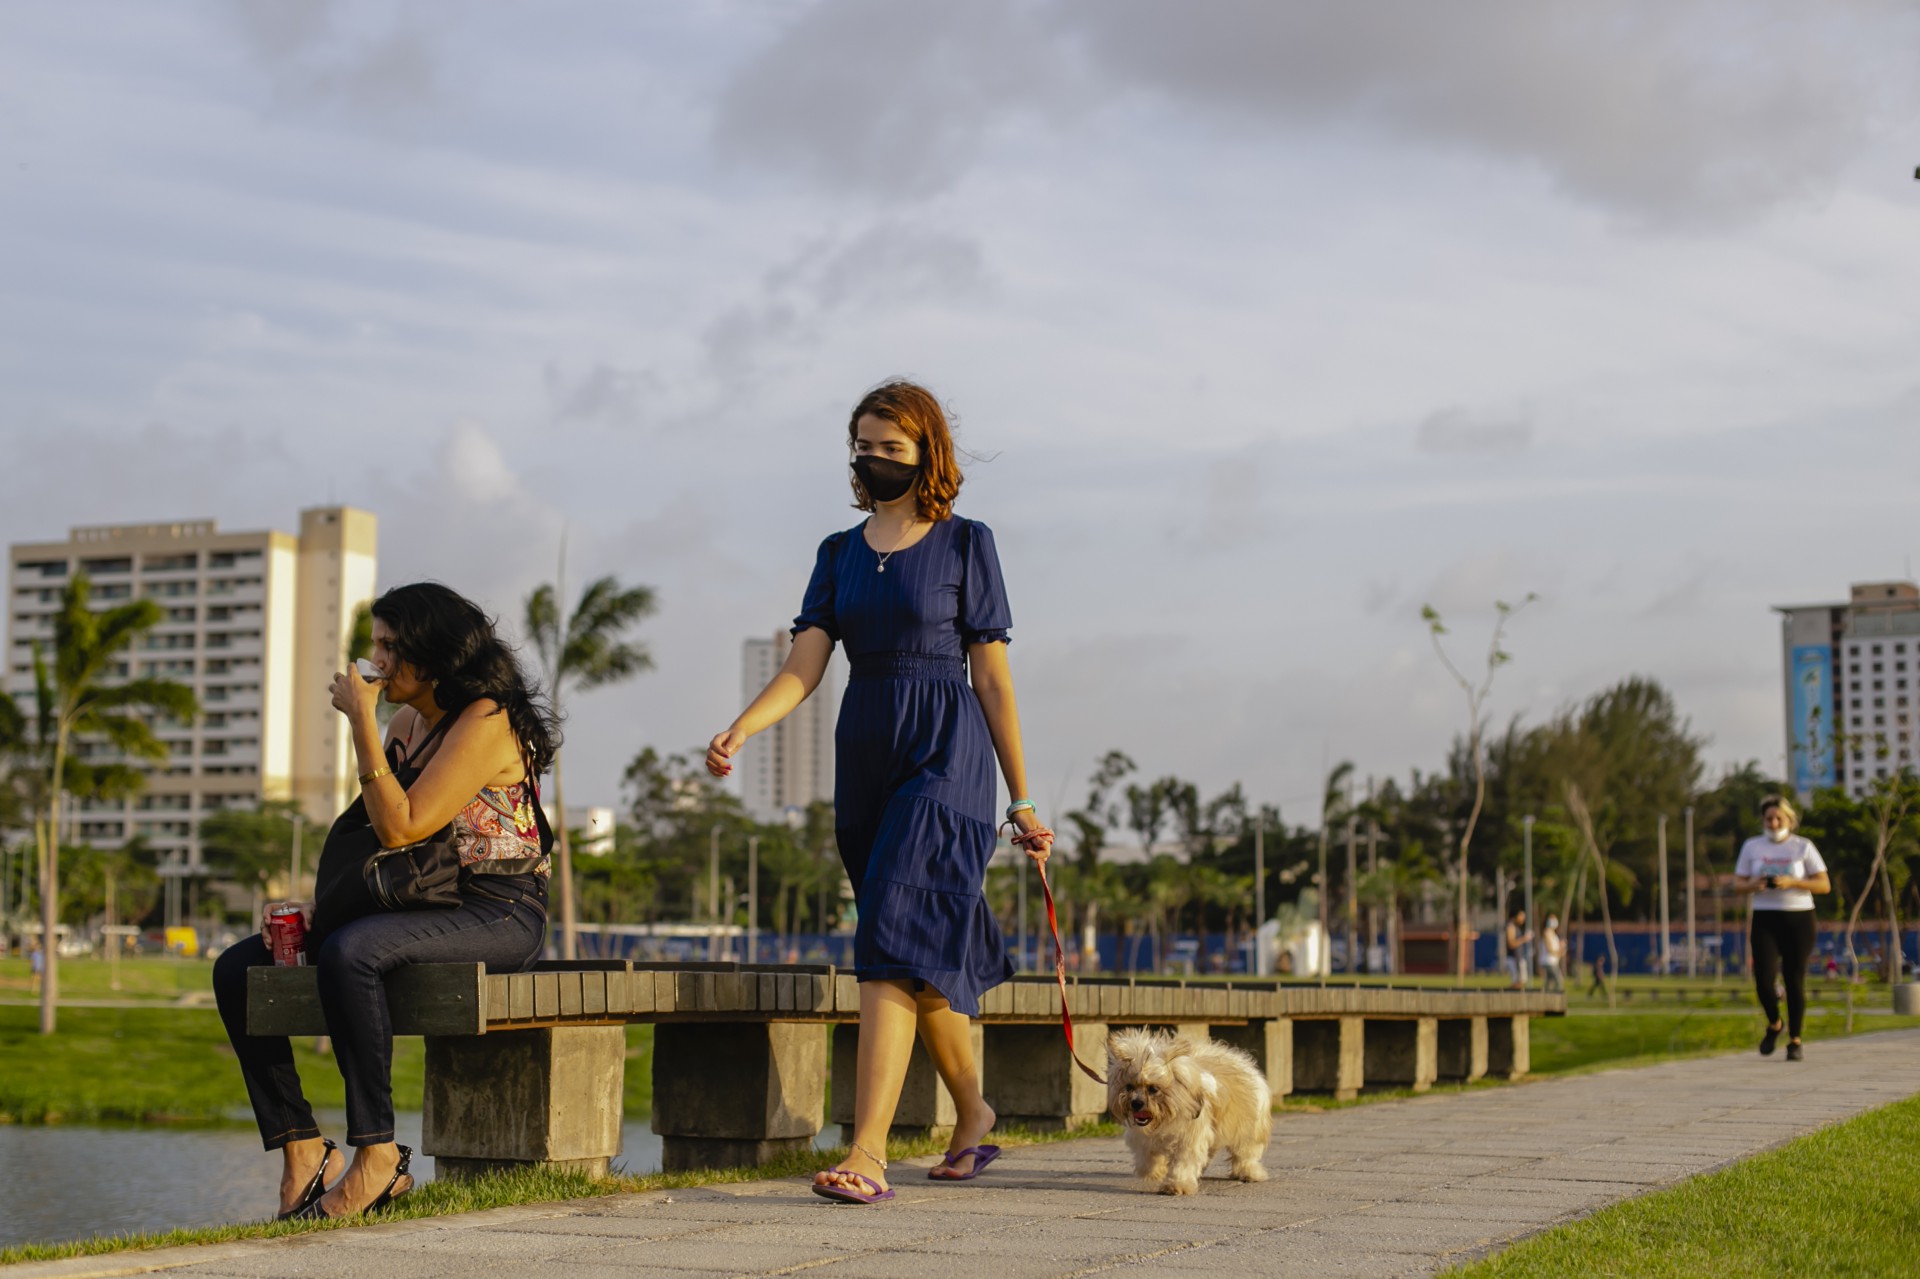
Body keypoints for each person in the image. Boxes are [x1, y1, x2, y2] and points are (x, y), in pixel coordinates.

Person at [707, 380, 1052, 1205]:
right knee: (914, 953)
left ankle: (867, 1150)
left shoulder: (967, 543)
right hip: (864, 754)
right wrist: (744, 727)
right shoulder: (838, 553)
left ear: (928, 453)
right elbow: (805, 664)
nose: (874, 459)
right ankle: (975, 1112)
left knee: (889, 933)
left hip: (947, 753)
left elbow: (992, 679)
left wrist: (1021, 798)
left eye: (892, 446)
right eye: (863, 445)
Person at [213, 583, 558, 1219]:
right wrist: (323, 905)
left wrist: (359, 725)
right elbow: (380, 840)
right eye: (375, 644)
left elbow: (405, 826)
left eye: (391, 646)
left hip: (501, 907)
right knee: (238, 967)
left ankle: (377, 1153)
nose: (376, 660)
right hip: (423, 901)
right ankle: (300, 1144)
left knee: (353, 952)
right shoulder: (406, 726)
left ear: (435, 653)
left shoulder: (486, 719)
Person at [1733, 795, 1829, 1061]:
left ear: (1789, 819)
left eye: (1779, 818)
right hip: (1765, 917)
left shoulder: (1802, 846)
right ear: (1762, 820)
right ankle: (1775, 1023)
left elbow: (1824, 885)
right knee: (1764, 980)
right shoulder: (1752, 846)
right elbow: (1737, 884)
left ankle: (1795, 1040)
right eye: (1769, 819)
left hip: (1799, 917)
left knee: (1794, 978)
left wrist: (1792, 882)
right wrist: (1753, 885)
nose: (1774, 823)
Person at [1503, 908, 1534, 989]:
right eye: (1521, 916)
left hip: (1518, 957)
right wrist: (1524, 939)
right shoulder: (1511, 927)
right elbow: (1511, 943)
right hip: (1514, 958)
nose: (1523, 919)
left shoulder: (1517, 927)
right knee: (1517, 982)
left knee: (1521, 981)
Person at [1540, 914, 1565, 992]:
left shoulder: (1554, 934)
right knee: (1558, 980)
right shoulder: (1547, 932)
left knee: (1549, 982)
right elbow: (1550, 949)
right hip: (1548, 961)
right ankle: (1555, 996)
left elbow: (1556, 948)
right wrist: (1559, 952)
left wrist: (1561, 949)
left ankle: (1545, 995)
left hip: (1553, 961)